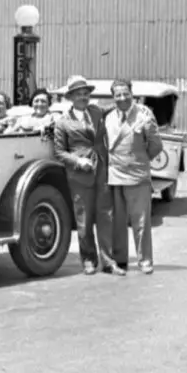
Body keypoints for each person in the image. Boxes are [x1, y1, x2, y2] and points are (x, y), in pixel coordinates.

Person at [53, 75, 118, 275]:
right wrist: (77, 160)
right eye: (78, 94)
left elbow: (118, 108)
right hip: (80, 174)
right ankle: (89, 260)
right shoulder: (63, 123)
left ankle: (108, 261)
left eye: (86, 93)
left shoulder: (97, 112)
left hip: (102, 169)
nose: (83, 97)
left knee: (106, 216)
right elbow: (59, 152)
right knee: (84, 218)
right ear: (70, 97)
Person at [103, 78, 163, 274]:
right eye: (117, 95)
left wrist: (140, 161)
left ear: (132, 94)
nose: (122, 98)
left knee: (141, 222)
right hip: (115, 176)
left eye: (125, 94)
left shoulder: (144, 115)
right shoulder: (109, 117)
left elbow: (155, 145)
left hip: (137, 176)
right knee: (118, 222)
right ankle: (121, 260)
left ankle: (144, 261)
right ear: (112, 97)